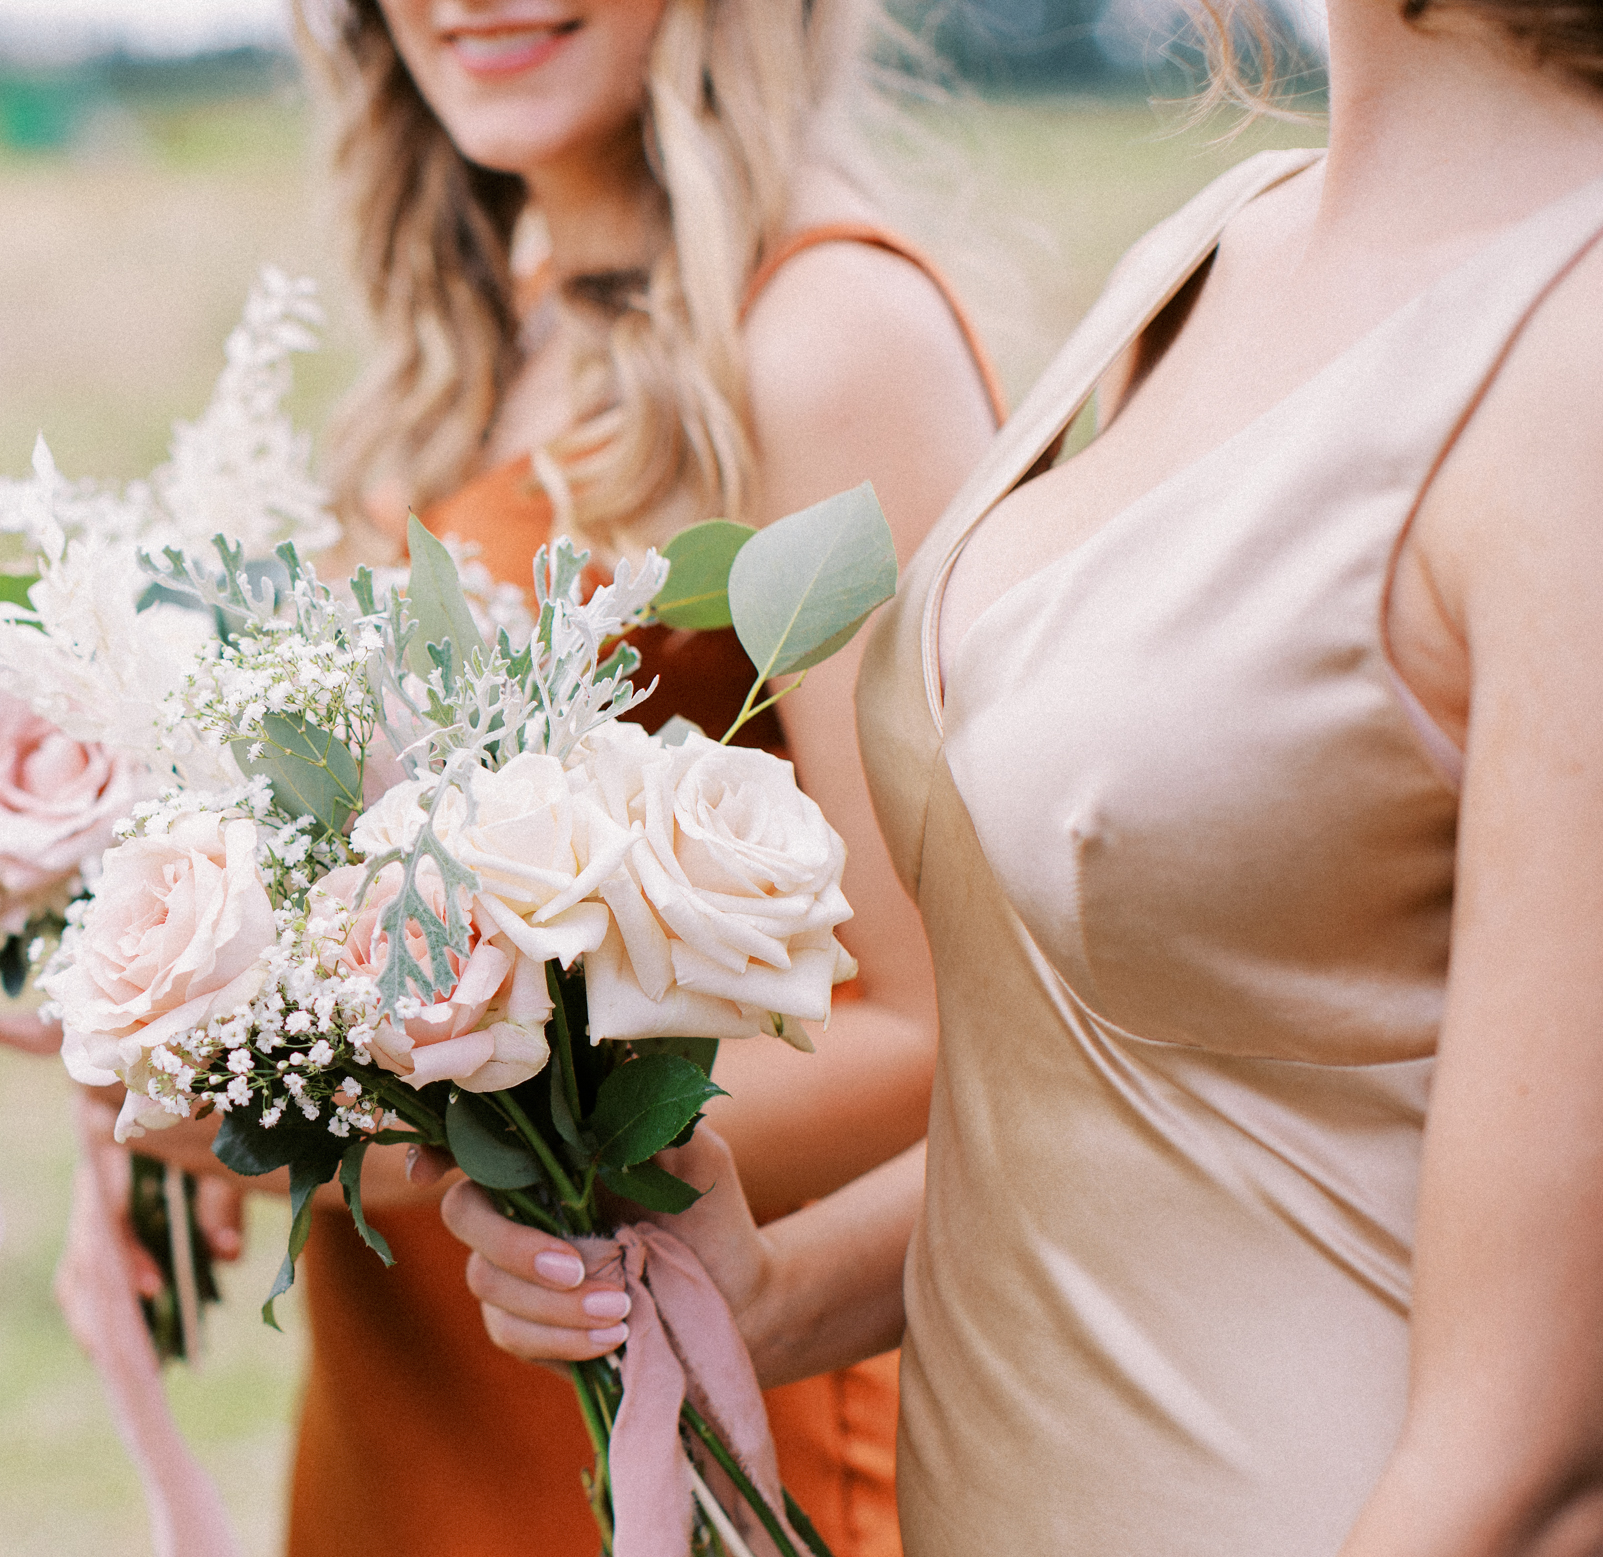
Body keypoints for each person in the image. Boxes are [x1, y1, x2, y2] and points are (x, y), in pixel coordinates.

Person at [444, 5, 1603, 1554]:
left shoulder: (1572, 357)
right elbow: (1135, 1098)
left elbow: (1530, 1457)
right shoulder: (1224, 244)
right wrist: (770, 1291)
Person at [104, 1, 1003, 1554]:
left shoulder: (828, 335)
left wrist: (387, 1139)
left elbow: (947, 1036)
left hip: (698, 1413)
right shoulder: (475, 332)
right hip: (414, 1412)